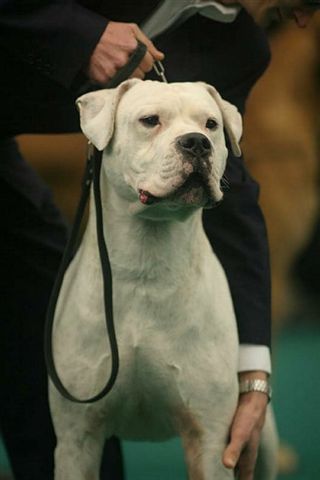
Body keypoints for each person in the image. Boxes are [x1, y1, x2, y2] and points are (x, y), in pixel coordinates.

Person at [0, 1, 315, 479]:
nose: (305, 20)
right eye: (309, 2)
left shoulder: (242, 48)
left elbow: (238, 198)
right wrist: (79, 33)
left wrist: (253, 370)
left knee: (38, 301)